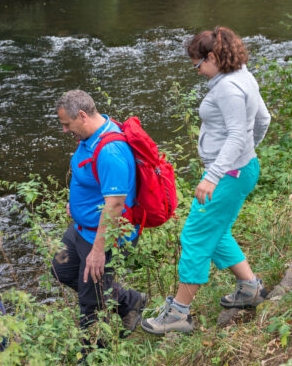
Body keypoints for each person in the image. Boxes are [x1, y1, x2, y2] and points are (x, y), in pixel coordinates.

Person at [142, 27, 271, 336]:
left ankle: (179, 313)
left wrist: (215, 175)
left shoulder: (227, 88)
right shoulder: (243, 75)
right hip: (238, 169)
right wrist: (246, 154)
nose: (197, 70)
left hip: (228, 174)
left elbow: (237, 135)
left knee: (195, 235)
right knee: (216, 231)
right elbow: (263, 120)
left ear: (213, 57)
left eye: (198, 64)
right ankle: (250, 288)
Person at [51, 90, 148, 337]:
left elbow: (115, 205)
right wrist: (77, 204)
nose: (64, 130)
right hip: (80, 229)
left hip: (101, 236)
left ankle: (93, 354)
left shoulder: (110, 151)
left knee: (89, 303)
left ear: (82, 115)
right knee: (60, 270)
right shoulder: (92, 134)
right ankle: (129, 301)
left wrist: (98, 251)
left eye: (67, 124)